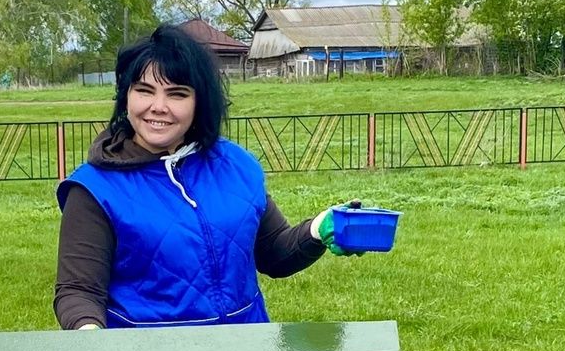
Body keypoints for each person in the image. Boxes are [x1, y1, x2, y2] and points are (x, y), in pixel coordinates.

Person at [53, 23, 368, 332]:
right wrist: (91, 339)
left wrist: (318, 228)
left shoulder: (237, 166)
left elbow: (273, 253)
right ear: (125, 97)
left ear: (198, 101)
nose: (158, 107)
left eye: (176, 94)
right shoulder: (94, 189)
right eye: (144, 91)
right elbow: (78, 292)